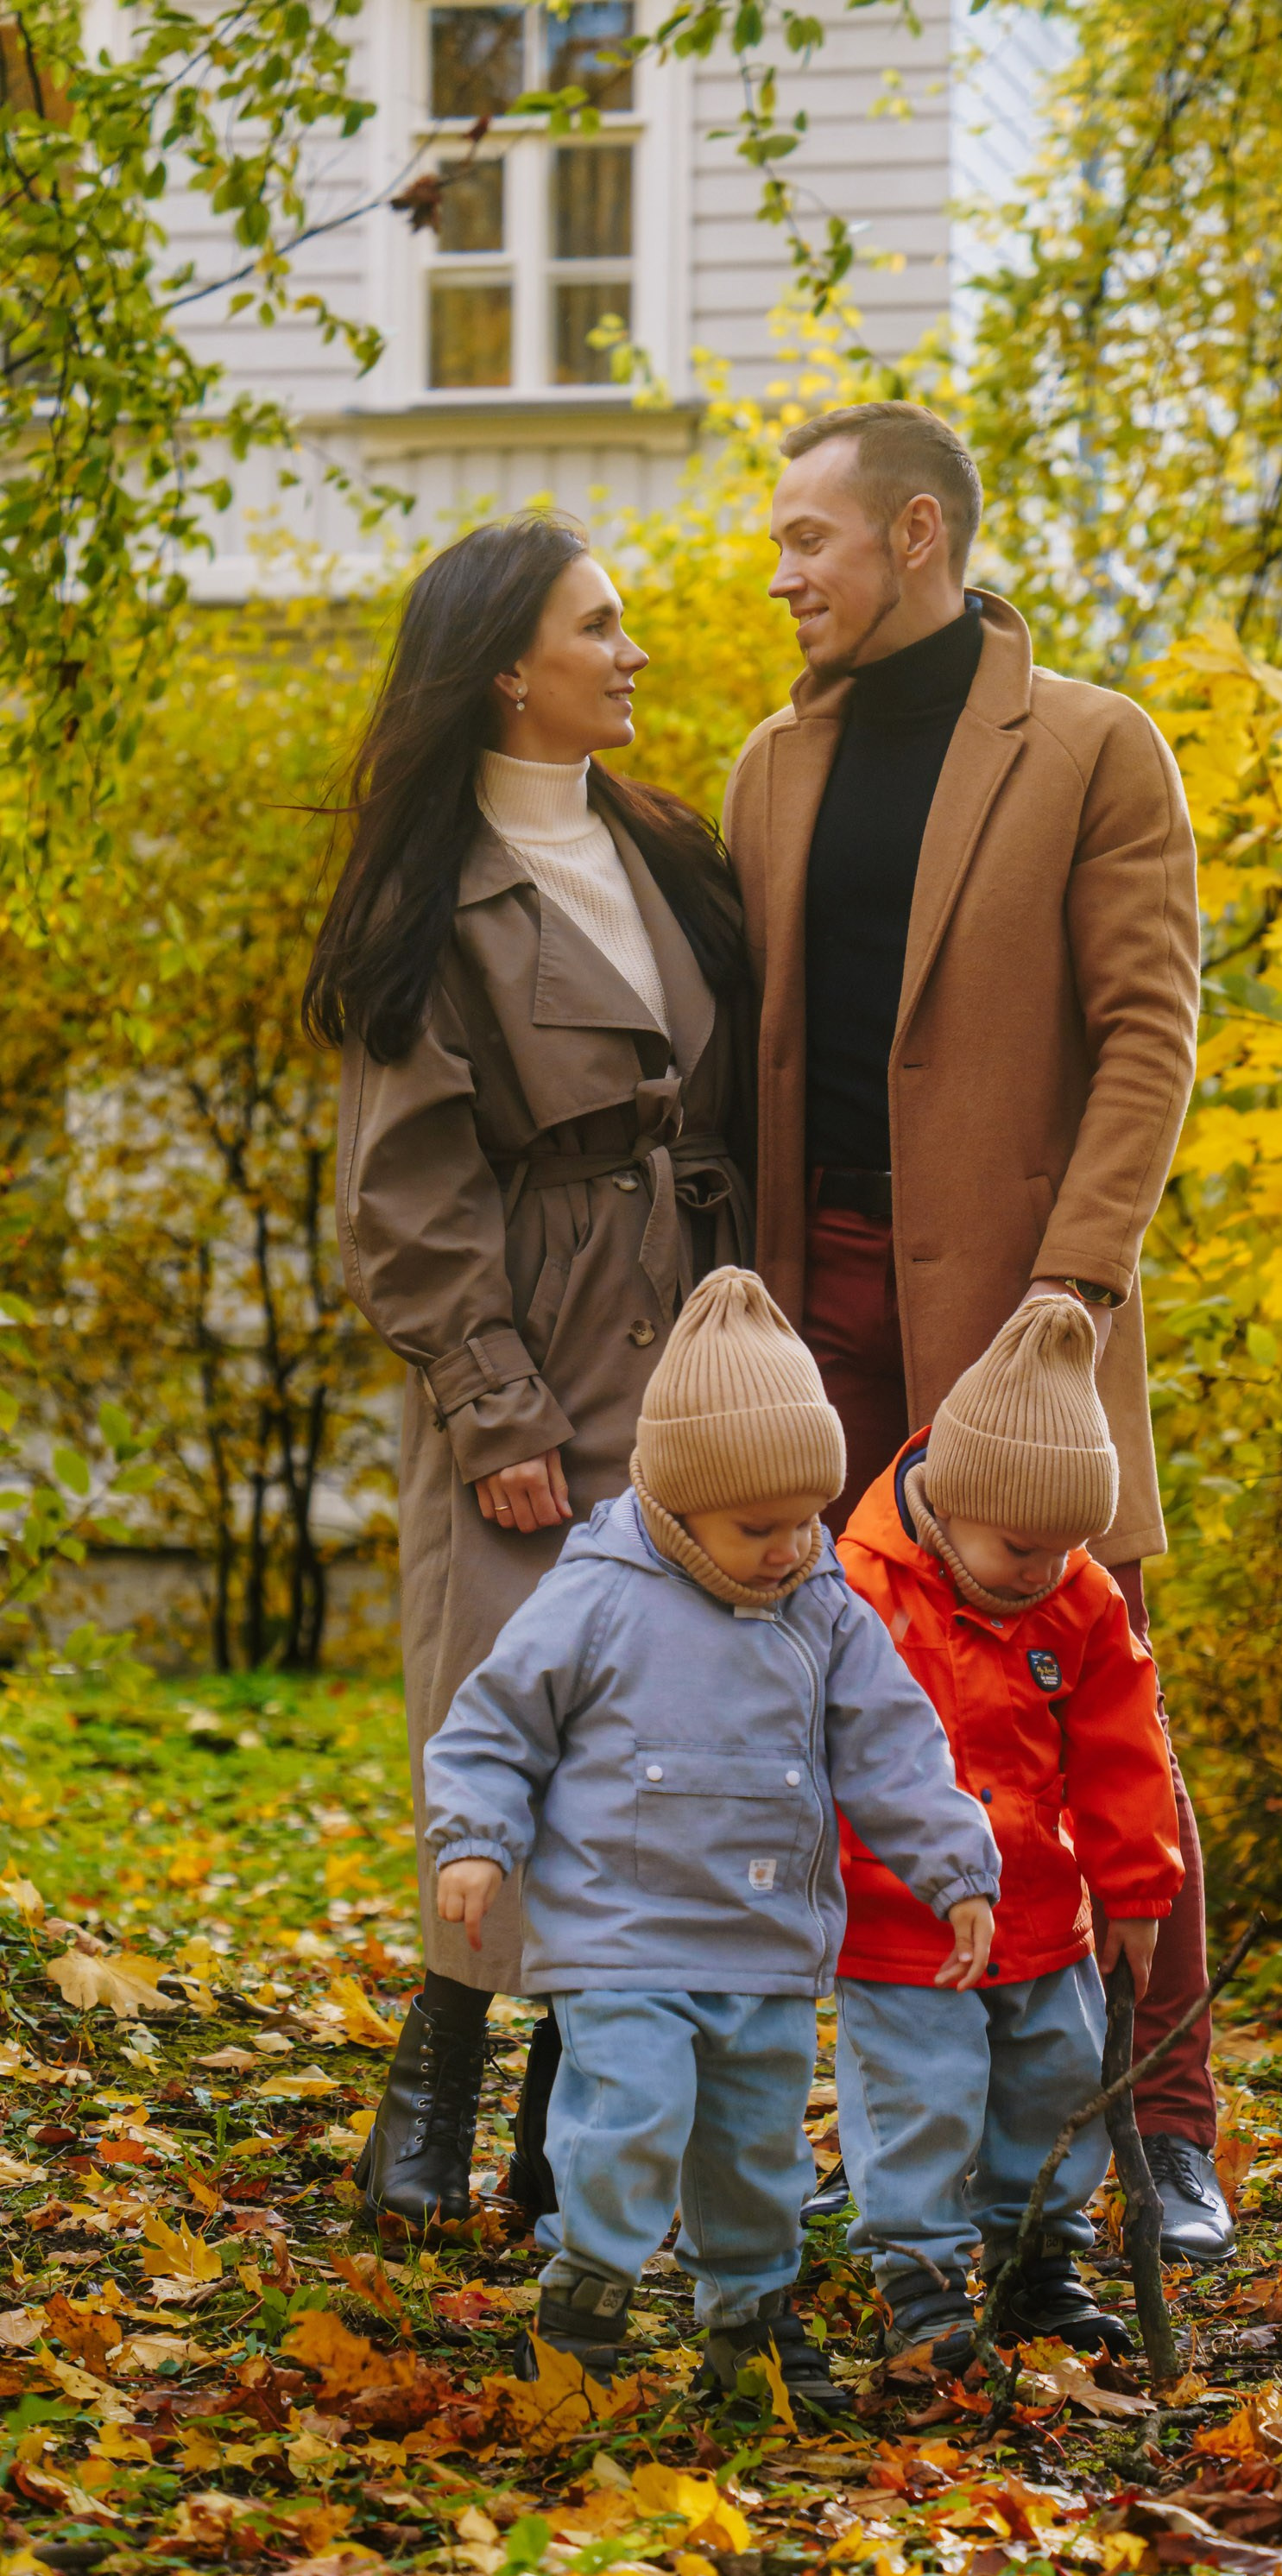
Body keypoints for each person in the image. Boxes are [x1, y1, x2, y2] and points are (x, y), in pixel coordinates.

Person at [723, 401, 1231, 2259]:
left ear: (914, 535)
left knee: (1095, 1704)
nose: (781, 574)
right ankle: (881, 2143)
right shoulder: (770, 768)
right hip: (815, 1320)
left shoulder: (1093, 746)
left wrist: (1072, 1294)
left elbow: (1145, 1038)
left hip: (1024, 1326)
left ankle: (1162, 2130)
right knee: (821, 1712)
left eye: (807, 540)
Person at [303, 511, 753, 2228]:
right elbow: (405, 1187)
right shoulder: (427, 898)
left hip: (694, 1346)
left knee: (656, 1742)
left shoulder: (670, 848)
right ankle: (428, 2098)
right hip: (533, 1352)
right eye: (602, 626)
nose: (632, 652)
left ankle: (565, 2144)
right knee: (507, 1728)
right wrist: (495, 1406)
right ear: (509, 671)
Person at [421, 1269, 1002, 2412]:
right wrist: (476, 1839)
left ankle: (750, 2317)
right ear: (679, 1503)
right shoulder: (594, 1599)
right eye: (759, 1527)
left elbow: (895, 1746)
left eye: (808, 1519)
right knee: (630, 2119)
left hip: (762, 1946)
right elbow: (492, 1724)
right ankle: (585, 2296)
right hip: (622, 1937)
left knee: (757, 2150)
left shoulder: (824, 1610)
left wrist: (955, 1867)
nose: (792, 1547)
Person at [835, 1294, 1184, 2368]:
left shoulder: (1073, 1599)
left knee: (1056, 2086)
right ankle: (925, 2290)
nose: (1042, 1569)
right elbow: (818, 1757)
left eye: (1065, 1548)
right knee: (922, 2104)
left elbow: (1124, 1750)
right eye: (1020, 1546)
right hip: (907, 1928)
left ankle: (1039, 2260)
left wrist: (1133, 1890)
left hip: (1043, 1914)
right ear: (948, 1500)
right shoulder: (855, 1596)